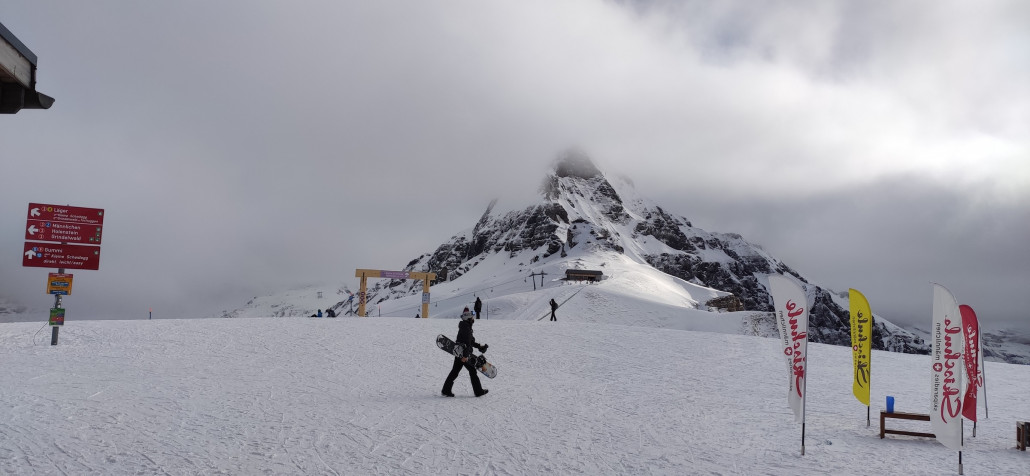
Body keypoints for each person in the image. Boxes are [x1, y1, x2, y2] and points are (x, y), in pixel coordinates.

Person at [441, 309, 489, 397]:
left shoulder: (466, 327)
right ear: (469, 318)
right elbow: (467, 343)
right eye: (472, 317)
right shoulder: (466, 328)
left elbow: (471, 341)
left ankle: (446, 390)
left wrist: (479, 346)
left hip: (459, 353)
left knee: (455, 371)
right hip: (464, 354)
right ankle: (478, 391)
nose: (473, 319)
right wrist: (465, 356)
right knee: (472, 371)